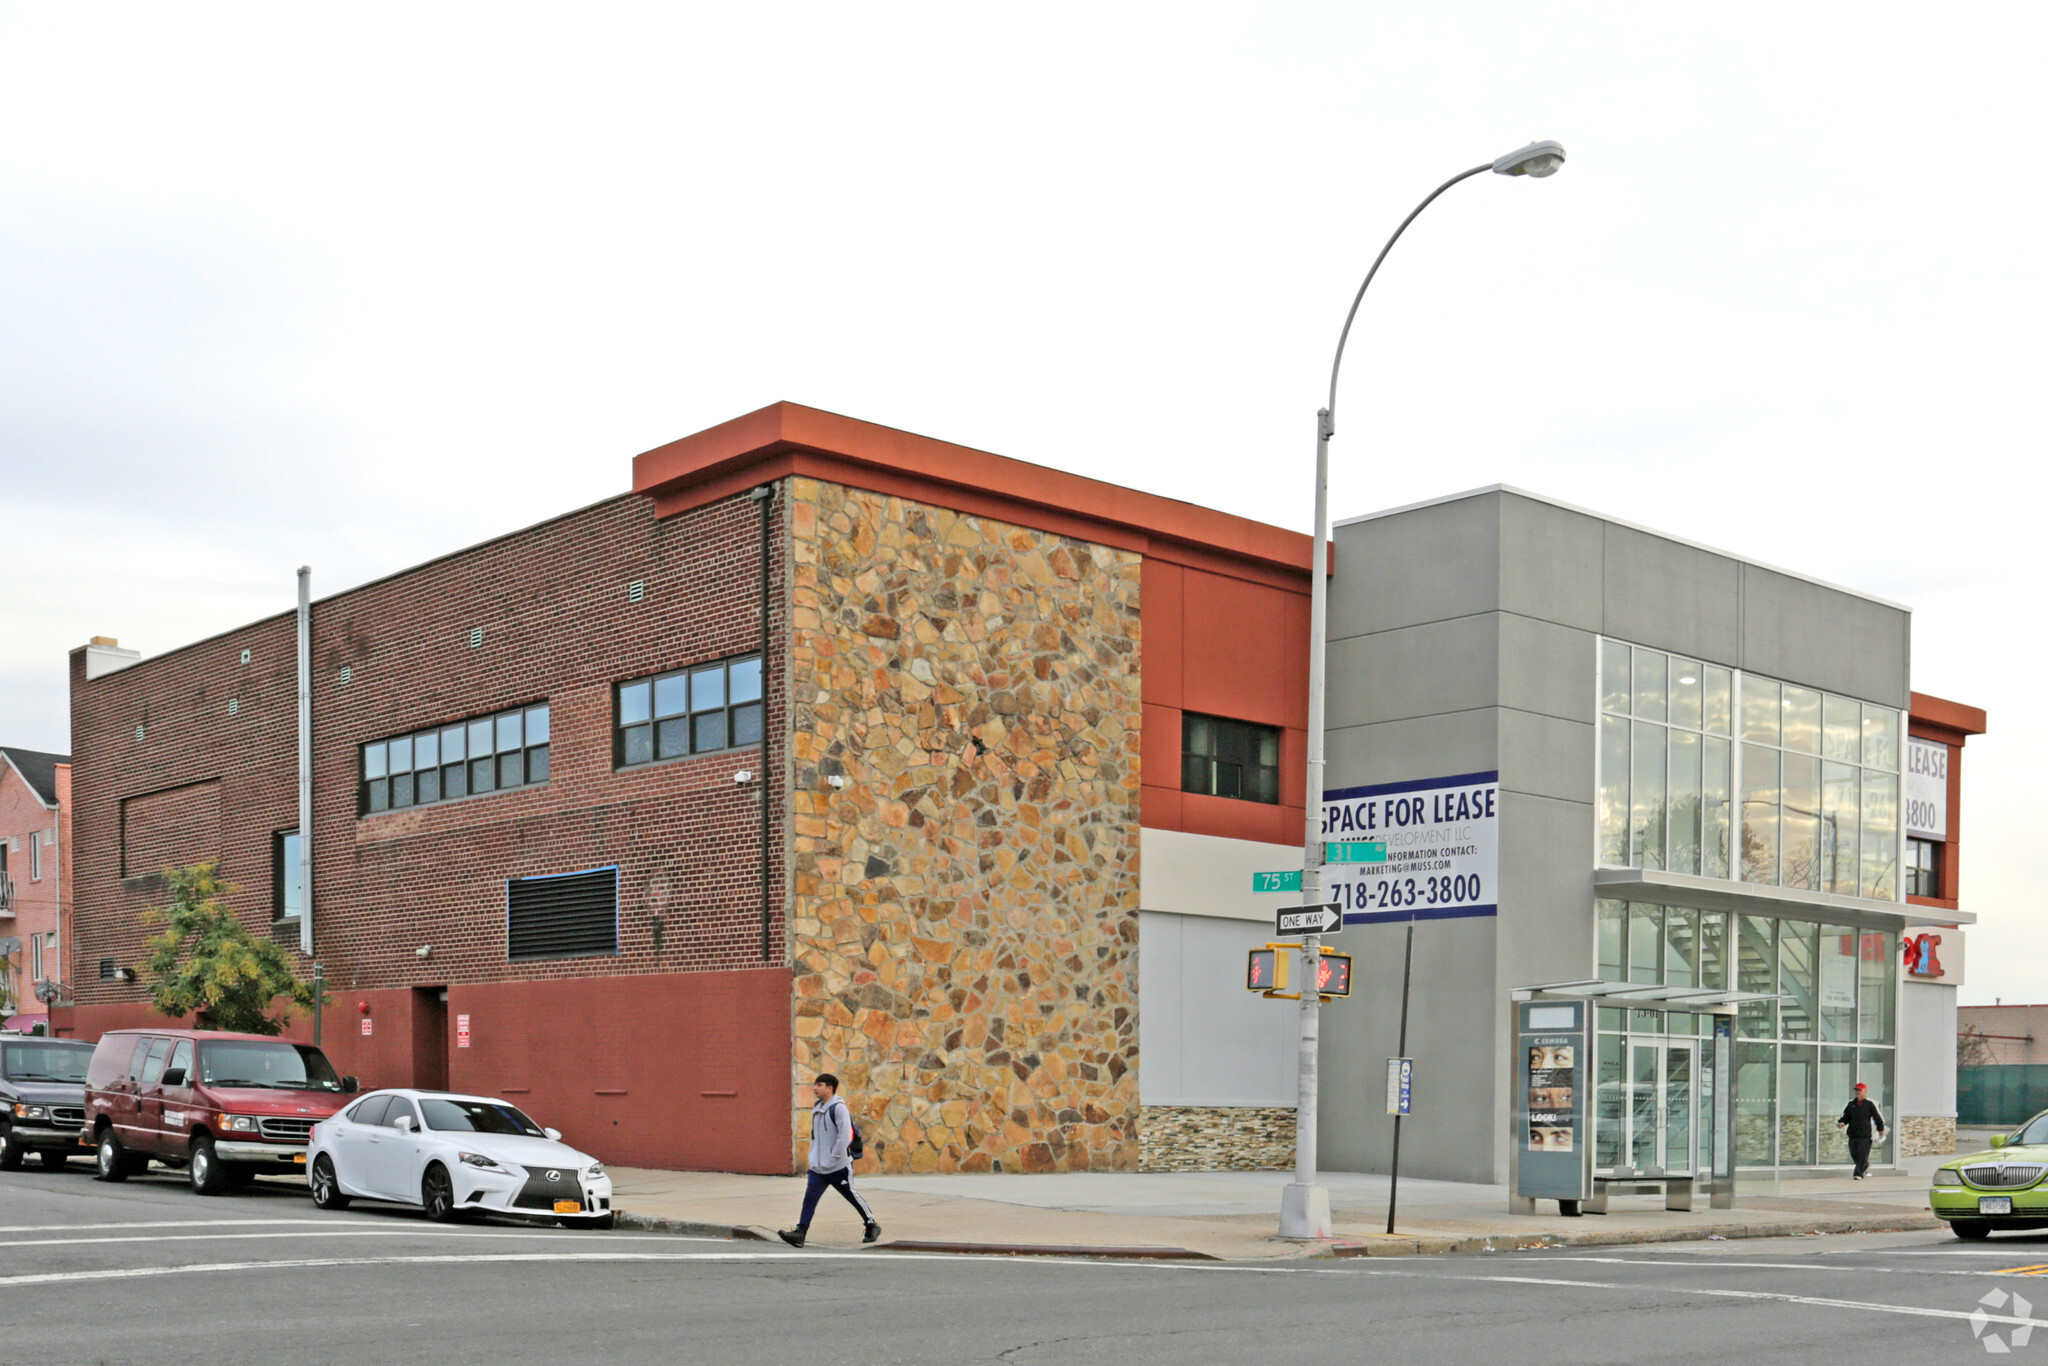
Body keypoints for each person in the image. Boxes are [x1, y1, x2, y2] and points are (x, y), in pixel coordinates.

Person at [778, 1073, 880, 1247]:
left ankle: (871, 1224)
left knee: (851, 1196)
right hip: (819, 1168)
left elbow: (844, 1137)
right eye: (815, 1084)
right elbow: (815, 1137)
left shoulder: (839, 1108)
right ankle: (800, 1233)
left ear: (830, 1088)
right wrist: (814, 1159)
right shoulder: (817, 1107)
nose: (815, 1088)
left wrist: (833, 1159)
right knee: (810, 1198)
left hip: (838, 1166)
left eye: (819, 1085)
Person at [1836, 1081, 1888, 1180]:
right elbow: (1846, 1116)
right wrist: (1842, 1122)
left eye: (1860, 1090)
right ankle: (1865, 1165)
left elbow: (1877, 1117)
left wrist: (1880, 1129)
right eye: (1856, 1090)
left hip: (1865, 1135)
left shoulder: (1870, 1104)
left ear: (1865, 1091)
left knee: (1862, 1155)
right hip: (1853, 1134)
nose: (1858, 1092)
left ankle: (1858, 1174)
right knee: (1854, 1154)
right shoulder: (1851, 1104)